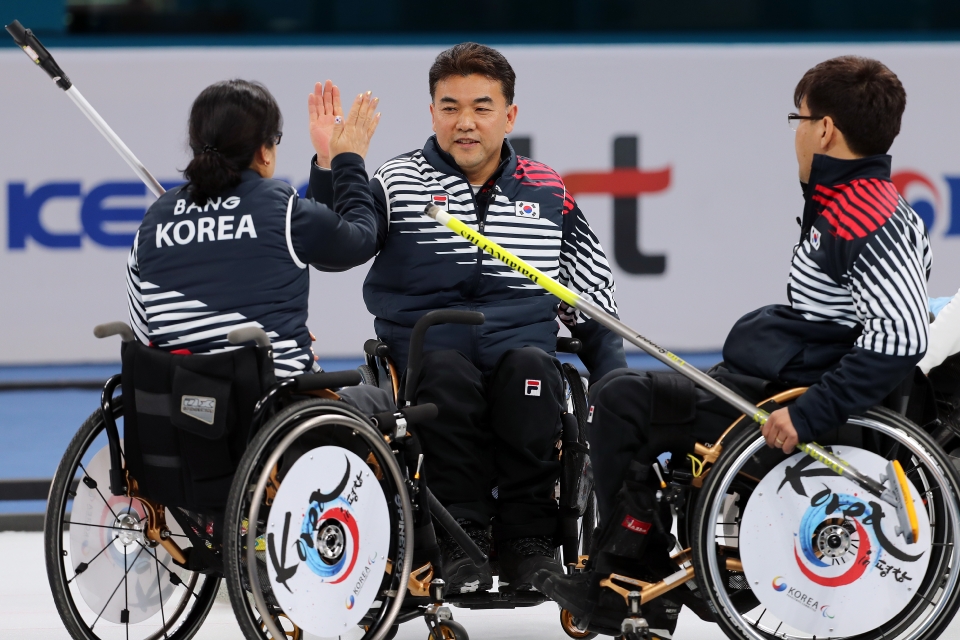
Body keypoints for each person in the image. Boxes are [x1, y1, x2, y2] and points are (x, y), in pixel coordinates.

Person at [534, 56, 930, 639]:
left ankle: (629, 573)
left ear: (824, 129)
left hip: (788, 402)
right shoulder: (846, 203)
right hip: (775, 380)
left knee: (619, 400)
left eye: (798, 117)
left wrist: (807, 414)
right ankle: (632, 563)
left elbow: (899, 338)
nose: (794, 131)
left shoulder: (864, 213)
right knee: (624, 391)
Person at [306, 43, 627, 594]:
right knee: (448, 375)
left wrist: (613, 382)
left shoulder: (548, 191)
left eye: (482, 107)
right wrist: (331, 165)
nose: (466, 123)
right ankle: (461, 539)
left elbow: (593, 296)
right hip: (425, 355)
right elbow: (336, 247)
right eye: (449, 107)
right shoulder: (396, 180)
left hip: (521, 351)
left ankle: (530, 543)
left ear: (510, 115)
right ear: (431, 113)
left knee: (531, 370)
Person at [126, 79, 382, 376]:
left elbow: (144, 338)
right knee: (378, 403)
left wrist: (326, 163)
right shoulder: (280, 207)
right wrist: (347, 160)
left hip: (177, 402)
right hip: (269, 400)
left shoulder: (152, 221)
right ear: (264, 151)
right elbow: (360, 239)